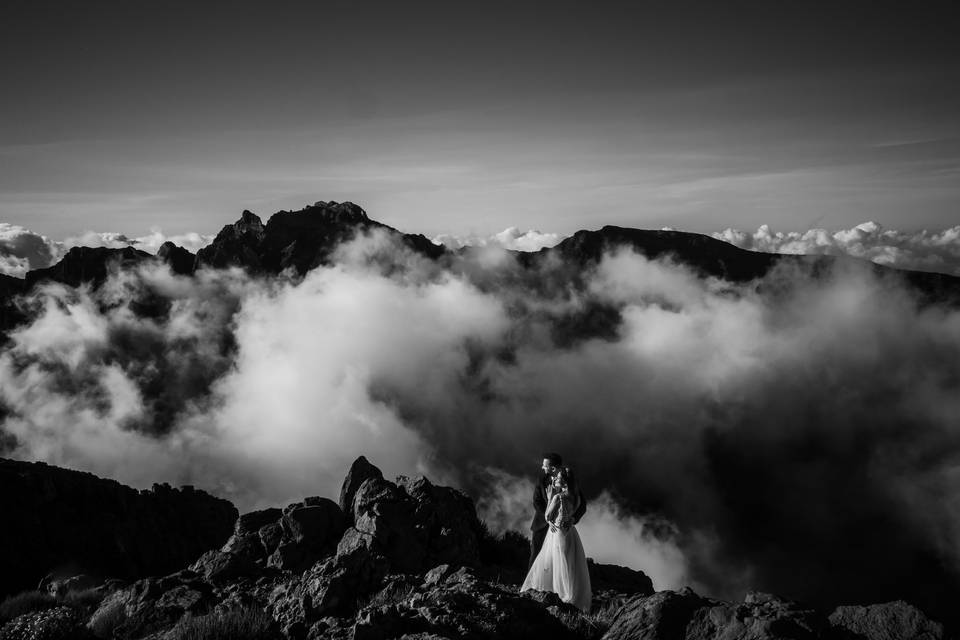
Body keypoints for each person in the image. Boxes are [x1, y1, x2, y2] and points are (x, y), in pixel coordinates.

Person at [521, 465, 592, 612]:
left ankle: (562, 592)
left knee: (557, 561)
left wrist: (549, 498)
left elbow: (547, 515)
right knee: (571, 562)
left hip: (558, 531)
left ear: (564, 482)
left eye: (558, 479)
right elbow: (577, 510)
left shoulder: (558, 497)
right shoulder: (575, 496)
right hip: (571, 532)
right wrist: (571, 519)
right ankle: (573, 593)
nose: (555, 480)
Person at [529, 453, 586, 569]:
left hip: (562, 526)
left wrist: (573, 519)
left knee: (560, 556)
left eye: (545, 465)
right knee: (536, 553)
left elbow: (582, 504)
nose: (542, 467)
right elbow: (536, 501)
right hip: (542, 524)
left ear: (553, 468)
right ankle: (533, 584)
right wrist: (549, 517)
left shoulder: (568, 478)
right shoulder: (542, 479)